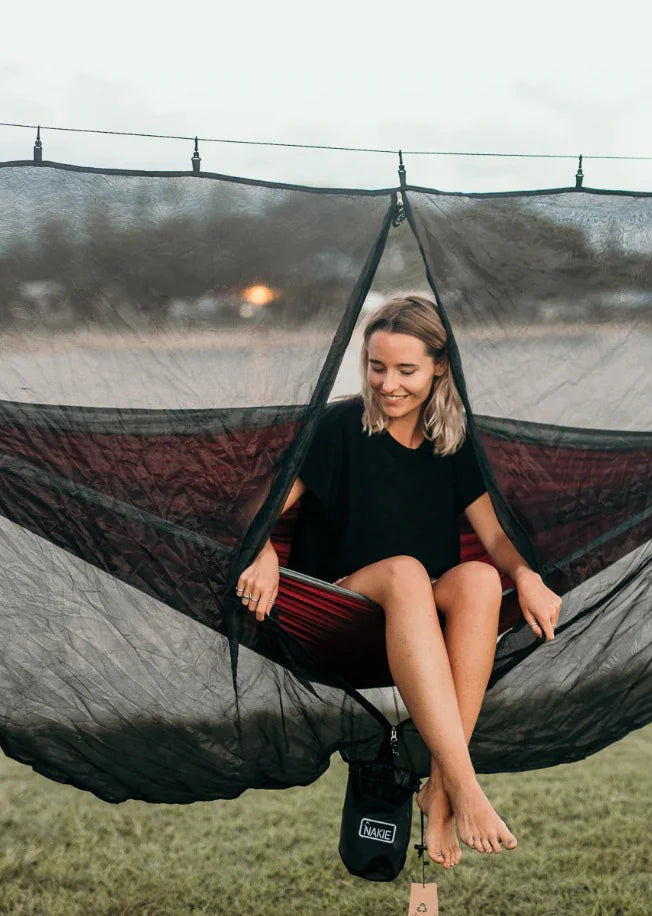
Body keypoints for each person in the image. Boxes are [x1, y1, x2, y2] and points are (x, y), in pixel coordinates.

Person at [235, 295, 562, 868]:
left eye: (405, 370)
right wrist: (261, 551)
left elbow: (498, 537)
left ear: (438, 367)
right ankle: (465, 787)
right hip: (337, 608)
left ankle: (440, 787)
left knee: (483, 582)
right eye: (376, 366)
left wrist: (527, 577)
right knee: (408, 571)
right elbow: (252, 512)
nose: (387, 384)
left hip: (418, 622)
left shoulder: (453, 443)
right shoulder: (338, 428)